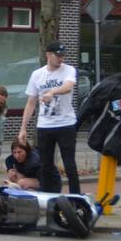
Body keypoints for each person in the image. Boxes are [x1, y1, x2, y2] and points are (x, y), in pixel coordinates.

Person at [19, 41, 80, 194]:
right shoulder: (37, 74)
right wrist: (23, 128)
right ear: (48, 55)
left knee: (69, 164)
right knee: (45, 165)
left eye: (62, 56)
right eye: (57, 55)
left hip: (66, 123)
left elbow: (68, 87)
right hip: (45, 126)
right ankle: (47, 195)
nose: (61, 59)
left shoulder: (68, 70)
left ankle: (76, 196)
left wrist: (52, 92)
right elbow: (31, 102)